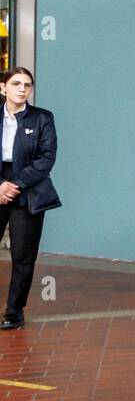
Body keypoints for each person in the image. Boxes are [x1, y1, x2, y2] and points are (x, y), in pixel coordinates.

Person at [0, 67, 59, 330]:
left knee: (23, 256)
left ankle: (14, 311)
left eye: (27, 85)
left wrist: (15, 184)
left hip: (28, 190)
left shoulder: (42, 118)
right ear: (3, 88)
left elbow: (46, 158)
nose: (22, 88)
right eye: (15, 83)